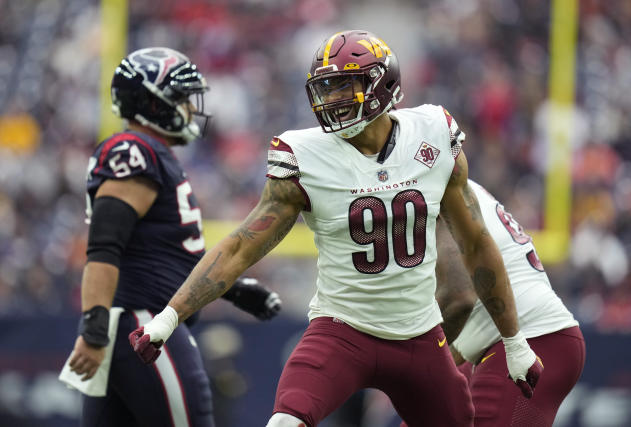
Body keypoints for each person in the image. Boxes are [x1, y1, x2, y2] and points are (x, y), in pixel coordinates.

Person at [129, 31, 543, 427]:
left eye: (344, 87)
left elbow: (475, 243)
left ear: (382, 85)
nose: (331, 100)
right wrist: (170, 316)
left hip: (419, 335)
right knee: (286, 419)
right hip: (343, 330)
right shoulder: (304, 155)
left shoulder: (431, 133)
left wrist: (514, 341)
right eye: (325, 89)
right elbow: (242, 245)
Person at [63, 47, 281, 427]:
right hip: (143, 324)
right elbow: (104, 247)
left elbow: (167, 254)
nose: (189, 108)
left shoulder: (156, 155)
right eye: (181, 98)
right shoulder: (132, 150)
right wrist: (94, 328)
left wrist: (232, 288)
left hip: (133, 325)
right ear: (152, 101)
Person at [430, 180, 584, 426]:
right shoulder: (450, 182)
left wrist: (415, 360)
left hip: (533, 339)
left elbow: (459, 298)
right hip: (505, 342)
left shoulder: (432, 186)